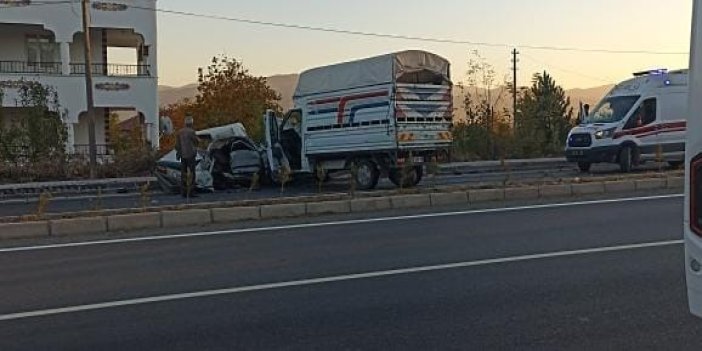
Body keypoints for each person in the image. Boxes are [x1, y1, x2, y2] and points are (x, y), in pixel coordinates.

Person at [175, 116, 199, 198]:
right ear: (191, 123)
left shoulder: (180, 132)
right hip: (191, 154)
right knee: (192, 173)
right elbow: (196, 141)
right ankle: (191, 192)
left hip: (183, 155)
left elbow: (177, 145)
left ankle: (183, 192)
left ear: (185, 123)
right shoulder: (191, 132)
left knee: (183, 174)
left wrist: (178, 153)